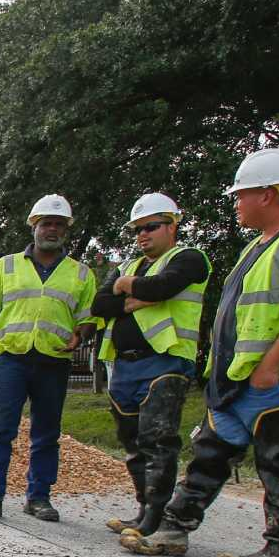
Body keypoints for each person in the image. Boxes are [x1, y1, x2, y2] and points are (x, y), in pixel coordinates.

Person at [122, 147, 279, 557]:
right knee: (208, 456)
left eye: (240, 195)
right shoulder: (261, 247)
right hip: (238, 380)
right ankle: (173, 530)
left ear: (266, 194)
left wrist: (271, 368)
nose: (236, 204)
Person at [0, 193, 99, 523]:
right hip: (11, 358)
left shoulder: (81, 274)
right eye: (46, 223)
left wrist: (82, 334)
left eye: (58, 225)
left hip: (53, 359)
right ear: (33, 227)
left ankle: (38, 498)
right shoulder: (5, 267)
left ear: (66, 231)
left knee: (47, 432)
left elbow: (89, 316)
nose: (52, 229)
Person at [90, 193, 209, 537]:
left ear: (172, 226)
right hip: (124, 366)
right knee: (132, 441)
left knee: (158, 440)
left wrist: (126, 289)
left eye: (151, 227)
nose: (143, 235)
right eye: (138, 230)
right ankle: (143, 506)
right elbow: (100, 304)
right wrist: (131, 300)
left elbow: (163, 287)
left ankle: (155, 514)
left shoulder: (189, 259)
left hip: (166, 361)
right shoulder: (127, 265)